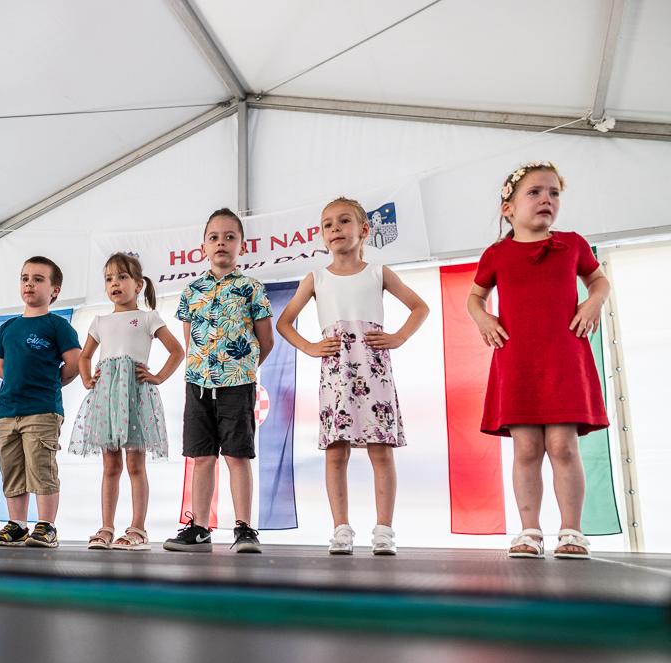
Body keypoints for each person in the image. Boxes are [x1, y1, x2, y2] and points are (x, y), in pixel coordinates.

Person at [467, 161, 609, 560]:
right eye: (535, 192)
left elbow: (598, 280)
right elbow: (474, 297)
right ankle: (529, 530)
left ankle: (572, 530)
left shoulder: (573, 244)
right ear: (508, 208)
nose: (546, 199)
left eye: (554, 193)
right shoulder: (497, 253)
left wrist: (593, 303)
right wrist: (483, 318)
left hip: (564, 358)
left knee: (563, 445)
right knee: (526, 448)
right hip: (518, 361)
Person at [276, 197, 429, 556]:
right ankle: (341, 528)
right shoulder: (316, 278)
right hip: (336, 373)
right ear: (322, 235)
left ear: (364, 230)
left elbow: (419, 307)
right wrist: (310, 346)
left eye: (343, 221)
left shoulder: (378, 272)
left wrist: (399, 337)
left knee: (381, 450)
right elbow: (284, 322)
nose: (335, 229)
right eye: (328, 224)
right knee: (335, 451)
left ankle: (384, 530)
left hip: (373, 369)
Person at [164, 208, 274, 554]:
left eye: (229, 237)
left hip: (237, 384)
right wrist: (204, 368)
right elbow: (190, 340)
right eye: (214, 237)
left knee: (237, 455)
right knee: (202, 456)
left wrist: (241, 370)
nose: (221, 242)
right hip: (197, 383)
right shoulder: (191, 291)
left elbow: (266, 341)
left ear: (242, 245)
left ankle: (244, 528)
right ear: (203, 247)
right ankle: (199, 527)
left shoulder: (251, 288)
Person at [69, 253, 183, 551]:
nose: (115, 284)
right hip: (107, 398)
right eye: (109, 279)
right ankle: (106, 527)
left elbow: (177, 351)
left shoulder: (148, 318)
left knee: (135, 463)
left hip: (134, 397)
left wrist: (157, 377)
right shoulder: (100, 321)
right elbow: (84, 356)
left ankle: (138, 528)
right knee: (110, 465)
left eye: (122, 277)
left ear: (138, 284)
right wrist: (87, 379)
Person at [0, 257, 81, 549]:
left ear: (54, 290)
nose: (29, 284)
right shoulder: (8, 327)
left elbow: (74, 364)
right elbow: (0, 367)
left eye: (38, 279)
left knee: (42, 466)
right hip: (8, 411)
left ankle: (46, 525)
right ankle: (17, 525)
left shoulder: (57, 326)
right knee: (12, 468)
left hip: (42, 409)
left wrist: (49, 384)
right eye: (25, 278)